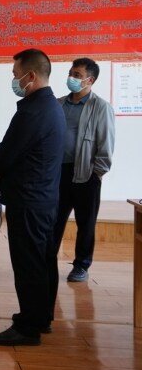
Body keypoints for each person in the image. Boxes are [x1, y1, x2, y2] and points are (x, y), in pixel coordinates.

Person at [0, 48, 64, 346]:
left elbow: (9, 152)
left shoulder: (33, 111)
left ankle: (28, 327)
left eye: (16, 75)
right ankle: (42, 317)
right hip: (44, 198)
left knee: (29, 264)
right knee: (42, 261)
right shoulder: (50, 106)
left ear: (31, 76)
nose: (14, 80)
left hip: (28, 200)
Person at [53, 57, 115, 282]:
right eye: (71, 74)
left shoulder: (101, 107)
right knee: (53, 220)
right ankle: (47, 260)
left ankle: (81, 265)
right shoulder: (58, 104)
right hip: (58, 174)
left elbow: (106, 143)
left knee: (85, 223)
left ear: (90, 80)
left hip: (86, 174)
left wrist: (97, 173)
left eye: (77, 75)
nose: (72, 78)